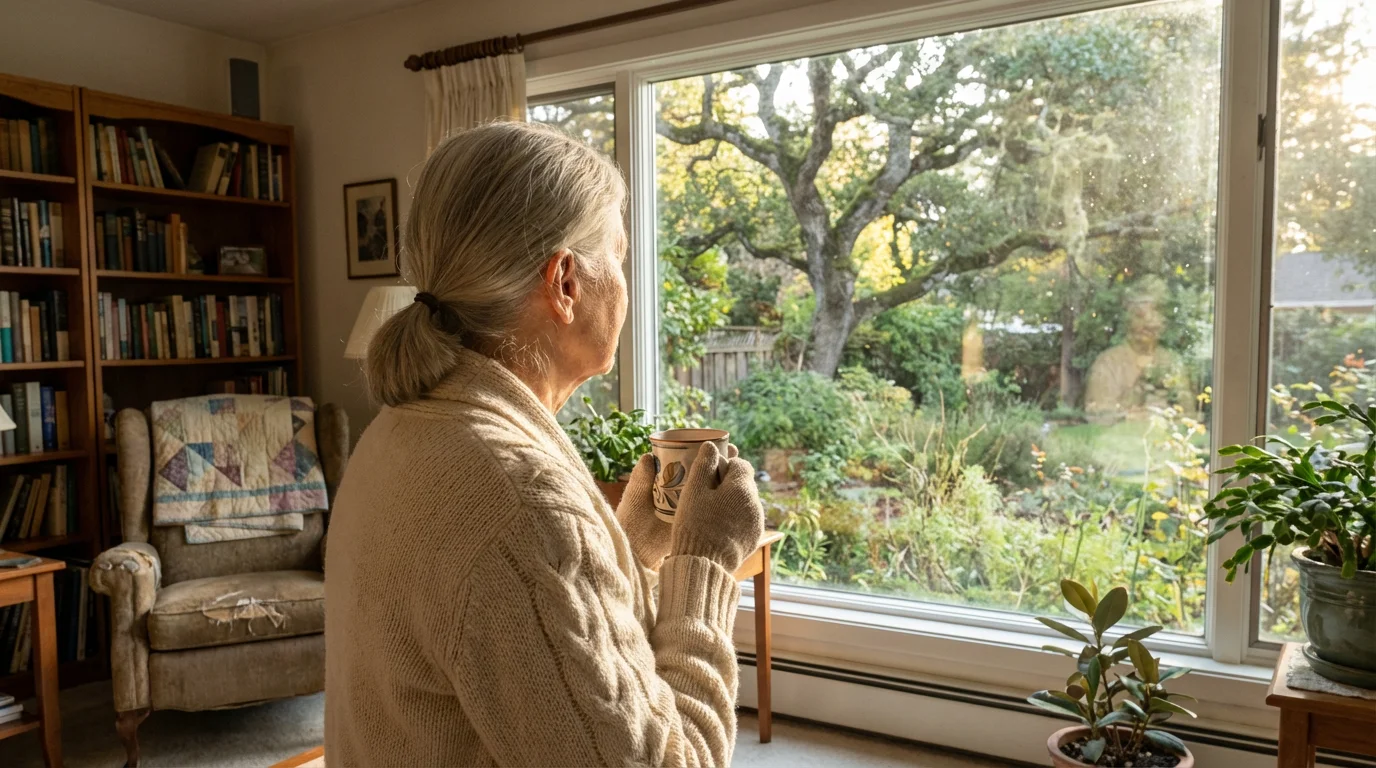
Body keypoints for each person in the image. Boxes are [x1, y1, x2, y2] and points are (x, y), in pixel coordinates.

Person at [324, 121, 765, 767]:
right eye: (618, 256)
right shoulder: (520, 500)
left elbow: (532, 657)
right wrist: (705, 564)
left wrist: (630, 548)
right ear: (565, 282)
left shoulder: (403, 427)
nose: (625, 281)